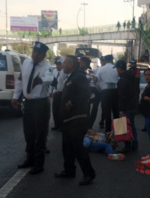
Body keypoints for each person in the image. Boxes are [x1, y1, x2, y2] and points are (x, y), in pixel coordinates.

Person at [12, 41, 53, 175]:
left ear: (44, 55)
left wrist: (40, 80)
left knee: (40, 134)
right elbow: (20, 81)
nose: (35, 54)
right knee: (28, 133)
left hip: (41, 104)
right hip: (28, 103)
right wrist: (15, 97)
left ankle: (39, 164)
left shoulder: (47, 67)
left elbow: (50, 78)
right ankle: (29, 159)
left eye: (39, 53)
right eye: (34, 51)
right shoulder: (26, 63)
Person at [54, 55, 95, 186]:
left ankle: (89, 174)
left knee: (78, 147)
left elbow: (85, 93)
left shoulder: (79, 75)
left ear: (71, 64)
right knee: (67, 146)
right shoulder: (72, 75)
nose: (63, 65)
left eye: (65, 63)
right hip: (68, 119)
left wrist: (71, 103)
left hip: (77, 118)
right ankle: (69, 170)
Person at [115, 60, 139, 153]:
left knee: (126, 127)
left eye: (117, 68)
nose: (116, 70)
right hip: (133, 104)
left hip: (127, 107)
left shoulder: (123, 80)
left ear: (120, 69)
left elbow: (122, 96)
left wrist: (121, 110)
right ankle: (135, 144)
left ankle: (128, 146)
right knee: (132, 125)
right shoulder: (132, 77)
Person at [95, 55, 119, 132]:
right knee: (116, 112)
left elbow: (96, 81)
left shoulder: (101, 69)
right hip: (115, 91)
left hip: (105, 92)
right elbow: (119, 80)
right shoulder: (116, 69)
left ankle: (108, 131)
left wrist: (100, 89)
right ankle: (117, 131)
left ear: (105, 60)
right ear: (112, 60)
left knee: (107, 112)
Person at [50, 59, 63, 131]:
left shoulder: (65, 72)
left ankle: (61, 125)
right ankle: (56, 124)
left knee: (61, 110)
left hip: (62, 93)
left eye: (59, 64)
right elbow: (53, 83)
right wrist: (51, 92)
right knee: (55, 109)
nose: (58, 66)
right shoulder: (55, 71)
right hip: (56, 92)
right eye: (57, 64)